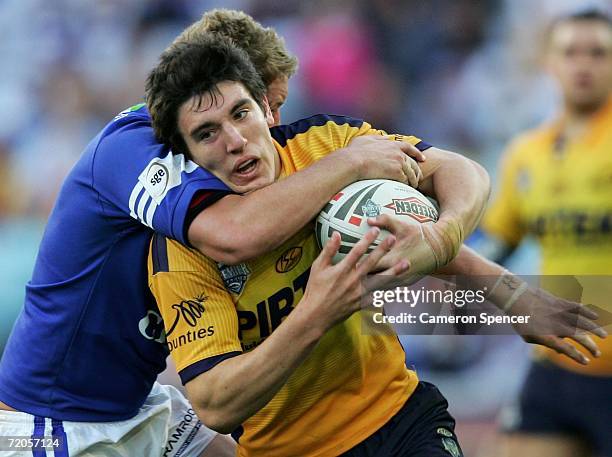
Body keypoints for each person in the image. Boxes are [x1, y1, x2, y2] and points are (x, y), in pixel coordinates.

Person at [0, 9, 456, 457]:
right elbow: (234, 236)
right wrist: (352, 163)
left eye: (266, 110)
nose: (271, 124)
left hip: (138, 403)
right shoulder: (132, 151)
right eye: (261, 105)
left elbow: (451, 192)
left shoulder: (263, 164)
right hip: (52, 419)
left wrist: (508, 297)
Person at [144, 32, 605, 457]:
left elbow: (460, 173)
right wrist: (316, 313)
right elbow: (215, 404)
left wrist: (497, 282)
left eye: (240, 113)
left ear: (267, 108)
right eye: (207, 133)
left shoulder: (326, 145)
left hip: (400, 420)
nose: (236, 141)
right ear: (185, 156)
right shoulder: (181, 246)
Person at [476, 9, 612, 457]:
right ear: (550, 63)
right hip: (557, 361)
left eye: (598, 53)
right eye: (570, 52)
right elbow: (498, 245)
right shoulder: (526, 155)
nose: (583, 65)